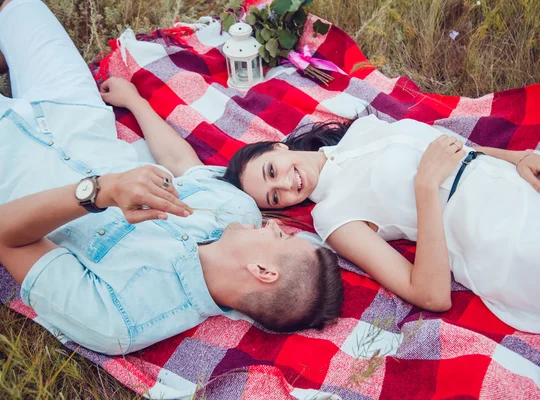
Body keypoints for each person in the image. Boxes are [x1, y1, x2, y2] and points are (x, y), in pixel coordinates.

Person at [0, 0, 343, 355]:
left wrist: (100, 193)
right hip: (76, 115)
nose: (274, 226)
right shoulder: (238, 212)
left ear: (262, 270)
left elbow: (6, 238)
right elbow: (181, 161)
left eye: (283, 238)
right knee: (21, 8)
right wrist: (134, 100)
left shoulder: (121, 320)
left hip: (9, 163)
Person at [222, 111, 540, 351]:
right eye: (276, 197)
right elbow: (431, 295)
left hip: (529, 187)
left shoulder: (364, 128)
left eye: (272, 170)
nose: (287, 186)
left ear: (276, 145)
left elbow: (459, 150)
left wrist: (521, 157)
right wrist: (425, 186)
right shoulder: (332, 216)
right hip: (507, 238)